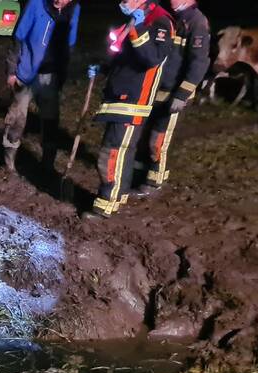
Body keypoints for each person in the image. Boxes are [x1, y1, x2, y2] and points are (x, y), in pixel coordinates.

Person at [84, 0, 174, 220]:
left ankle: (105, 205)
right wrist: (104, 68)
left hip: (134, 100)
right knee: (123, 152)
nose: (122, 2)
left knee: (112, 152)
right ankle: (118, 196)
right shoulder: (136, 19)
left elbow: (151, 59)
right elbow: (126, 59)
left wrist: (138, 29)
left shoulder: (159, 22)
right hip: (122, 96)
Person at [132, 0, 210, 195]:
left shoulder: (196, 22)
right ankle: (138, 176)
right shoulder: (169, 17)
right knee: (142, 137)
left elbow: (199, 62)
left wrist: (183, 94)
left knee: (158, 140)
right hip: (156, 89)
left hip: (175, 93)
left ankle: (154, 183)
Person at [2, 0, 81, 173]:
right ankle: (9, 163)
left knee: (50, 122)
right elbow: (18, 37)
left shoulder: (74, 11)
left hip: (50, 77)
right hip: (26, 74)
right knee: (16, 120)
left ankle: (47, 166)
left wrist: (61, 77)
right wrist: (11, 71)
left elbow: (69, 47)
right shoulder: (36, 4)